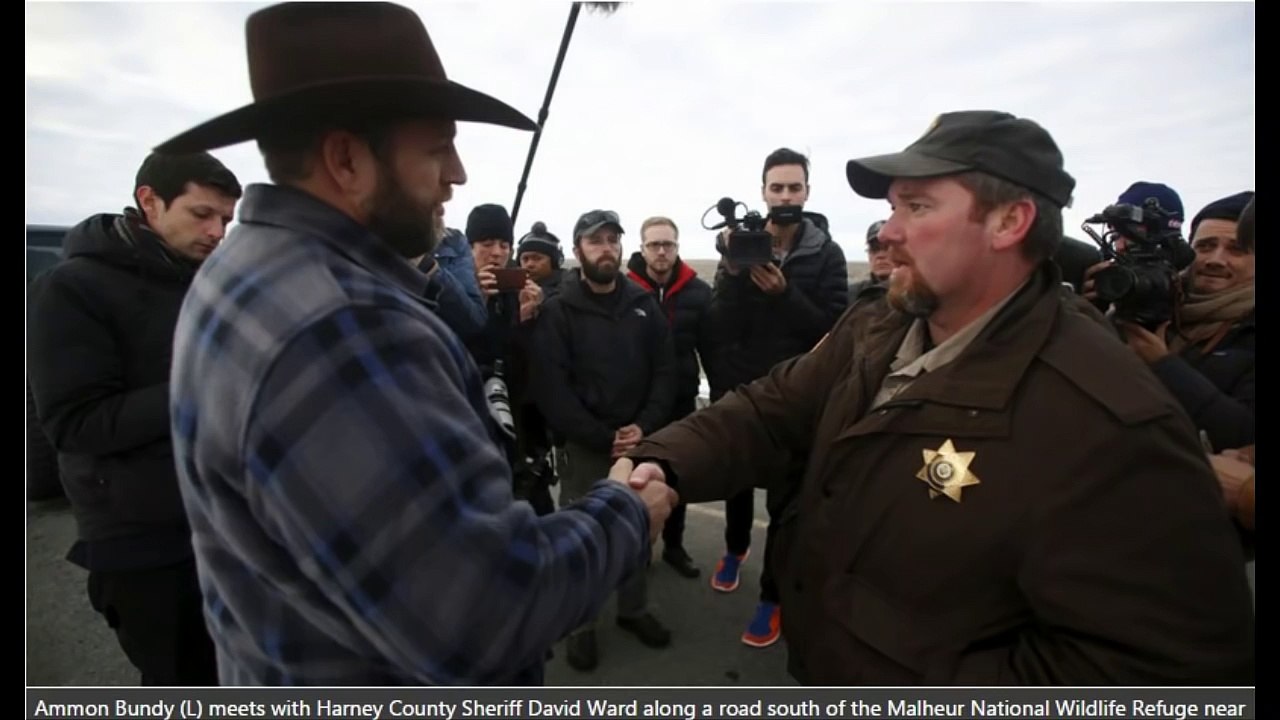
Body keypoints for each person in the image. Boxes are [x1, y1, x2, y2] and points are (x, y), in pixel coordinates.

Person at [615, 110, 1255, 685]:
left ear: (1009, 222)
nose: (889, 233)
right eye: (893, 208)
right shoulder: (880, 323)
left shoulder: (1111, 420)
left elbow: (1160, 672)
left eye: (917, 208)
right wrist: (660, 466)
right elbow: (768, 409)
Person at [154, 1, 674, 685]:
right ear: (346, 159)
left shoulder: (241, 267)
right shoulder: (341, 330)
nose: (457, 173)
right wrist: (626, 513)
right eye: (436, 148)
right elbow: (484, 614)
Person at [27, 151, 243, 685]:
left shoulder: (206, 283)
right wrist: (202, 388)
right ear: (150, 201)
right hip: (144, 545)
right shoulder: (72, 288)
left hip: (227, 526)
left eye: (226, 219)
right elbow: (76, 424)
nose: (217, 232)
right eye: (202, 214)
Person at [708, 147, 848, 649]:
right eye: (777, 188)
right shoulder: (745, 245)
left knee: (787, 505)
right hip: (747, 390)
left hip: (799, 395)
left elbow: (833, 331)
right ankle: (734, 548)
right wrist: (732, 271)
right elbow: (721, 323)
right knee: (737, 482)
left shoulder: (826, 254)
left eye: (794, 187)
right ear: (763, 191)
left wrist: (784, 293)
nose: (785, 196)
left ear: (807, 191)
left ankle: (772, 595)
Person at [533, 209, 677, 671]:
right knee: (583, 538)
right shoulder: (559, 310)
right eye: (595, 241)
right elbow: (552, 387)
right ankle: (581, 625)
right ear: (578, 250)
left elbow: (666, 370)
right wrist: (601, 436)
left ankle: (633, 610)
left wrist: (644, 426)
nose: (606, 248)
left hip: (638, 443)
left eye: (612, 239)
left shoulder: (642, 304)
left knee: (636, 530)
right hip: (585, 446)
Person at [1114, 190, 1255, 452]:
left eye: (1236, 250)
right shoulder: (1149, 303)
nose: (1215, 260)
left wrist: (1163, 364)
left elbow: (1245, 433)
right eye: (1205, 246)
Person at [625, 216, 714, 579]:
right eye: (654, 245)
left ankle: (674, 546)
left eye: (668, 245)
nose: (661, 251)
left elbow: (711, 349)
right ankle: (639, 546)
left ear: (677, 247)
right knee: (637, 479)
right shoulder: (624, 290)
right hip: (637, 403)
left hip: (681, 400)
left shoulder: (699, 292)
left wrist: (720, 396)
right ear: (642, 248)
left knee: (678, 477)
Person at [847, 219, 891, 302]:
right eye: (874, 249)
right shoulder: (853, 295)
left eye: (887, 248)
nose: (880, 255)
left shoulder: (913, 295)